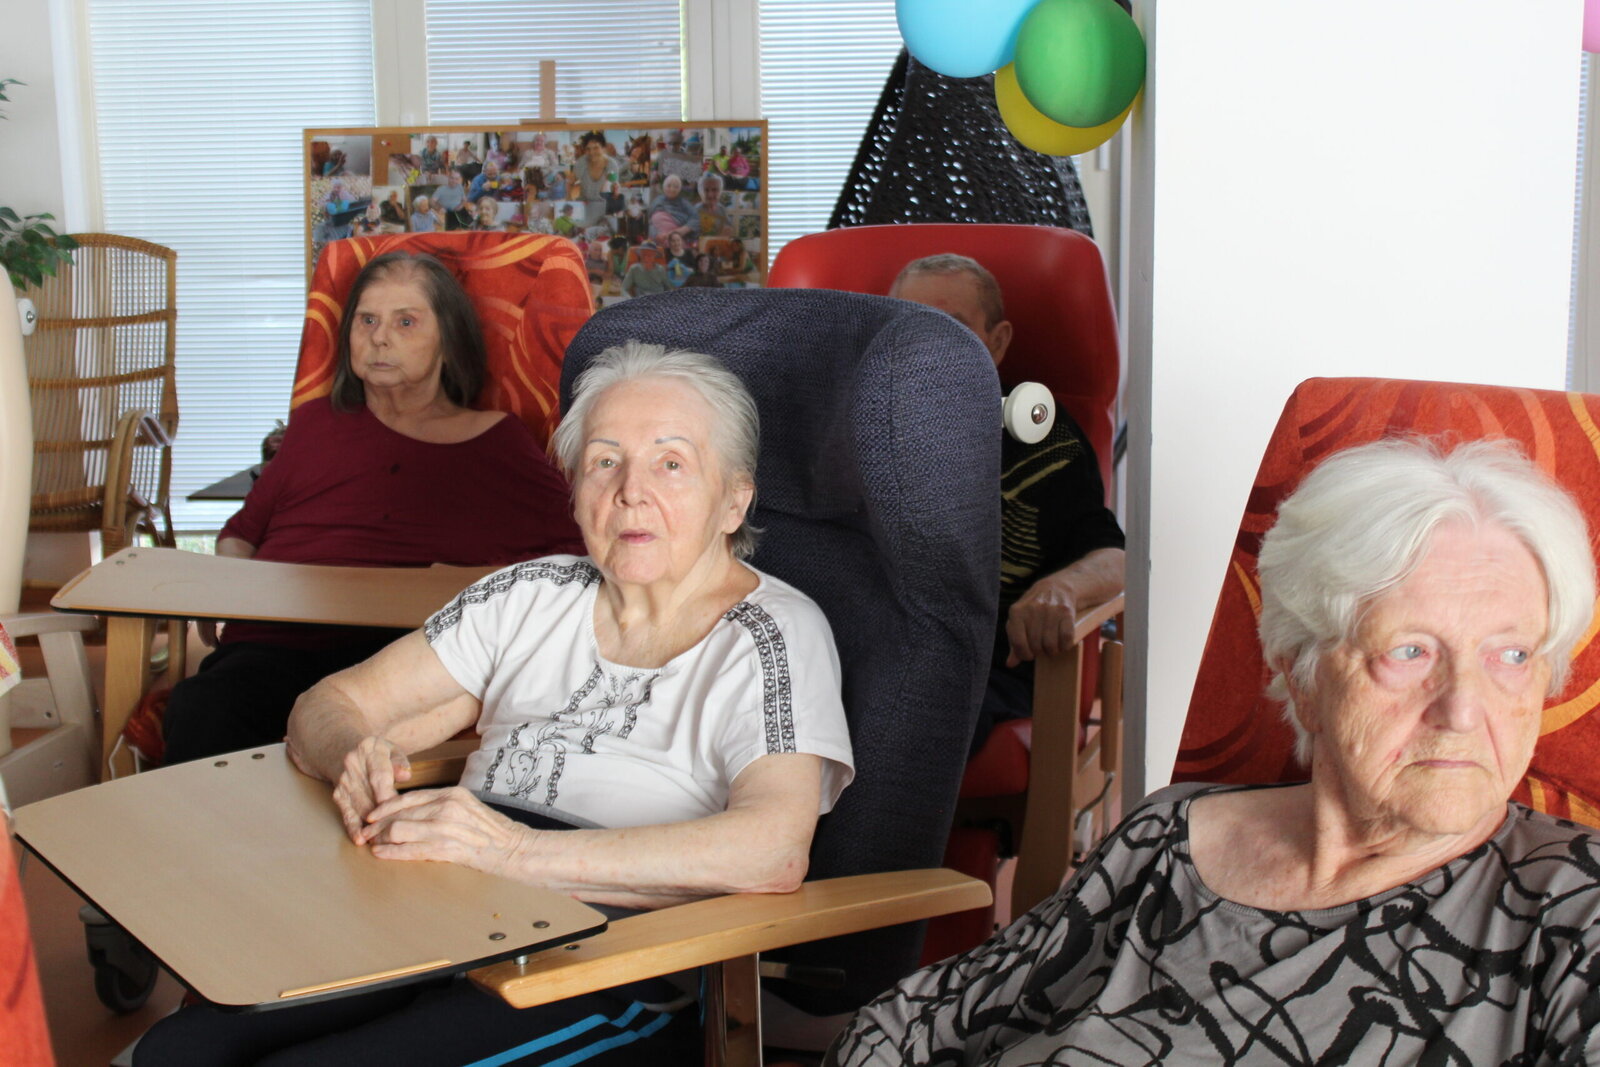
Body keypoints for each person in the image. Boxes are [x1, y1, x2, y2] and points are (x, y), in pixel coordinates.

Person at [136, 342, 856, 1066]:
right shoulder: (528, 594)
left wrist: (513, 851)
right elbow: (327, 705)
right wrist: (354, 756)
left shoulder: (774, 634)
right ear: (574, 488)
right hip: (437, 905)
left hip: (612, 955)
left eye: (671, 463)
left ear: (734, 499)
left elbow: (772, 849)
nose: (630, 491)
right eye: (604, 461)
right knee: (179, 1051)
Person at [829, 437, 1600, 1064]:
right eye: (1410, 650)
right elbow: (907, 1025)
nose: (1462, 709)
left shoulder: (1573, 918)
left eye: (1512, 655)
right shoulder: (1167, 836)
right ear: (1301, 674)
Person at [158, 252, 584, 766]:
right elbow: (240, 533)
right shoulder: (314, 425)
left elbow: (578, 559)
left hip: (406, 658)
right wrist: (226, 591)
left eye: (405, 322)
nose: (380, 337)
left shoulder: (498, 441)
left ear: (448, 340)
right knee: (204, 709)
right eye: (367, 320)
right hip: (276, 645)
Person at [891, 254, 1124, 754]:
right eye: (908, 325)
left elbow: (1116, 558)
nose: (927, 346)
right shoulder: (843, 420)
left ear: (996, 343)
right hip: (848, 657)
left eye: (952, 328)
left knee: (907, 709)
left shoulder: (1041, 436)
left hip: (978, 672)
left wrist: (1062, 587)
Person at [573, 130, 618, 226]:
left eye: (596, 148)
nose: (591, 152)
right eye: (588, 149)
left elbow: (614, 188)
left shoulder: (611, 165)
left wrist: (615, 191)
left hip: (604, 208)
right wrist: (569, 202)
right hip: (584, 205)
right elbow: (570, 182)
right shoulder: (581, 163)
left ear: (603, 148)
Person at [647, 174, 696, 243]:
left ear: (679, 189)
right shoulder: (656, 201)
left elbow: (695, 219)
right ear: (664, 187)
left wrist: (683, 230)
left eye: (676, 187)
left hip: (678, 241)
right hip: (657, 240)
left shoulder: (684, 203)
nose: (672, 189)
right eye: (669, 186)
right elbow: (650, 222)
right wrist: (656, 235)